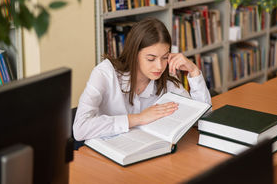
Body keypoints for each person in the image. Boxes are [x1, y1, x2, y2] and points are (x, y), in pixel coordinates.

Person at [73, 17, 211, 141]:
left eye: (164, 58)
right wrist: (139, 119)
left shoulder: (167, 80)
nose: (159, 67)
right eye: (151, 59)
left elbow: (202, 121)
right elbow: (80, 129)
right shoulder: (104, 73)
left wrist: (194, 71)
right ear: (134, 54)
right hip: (106, 155)